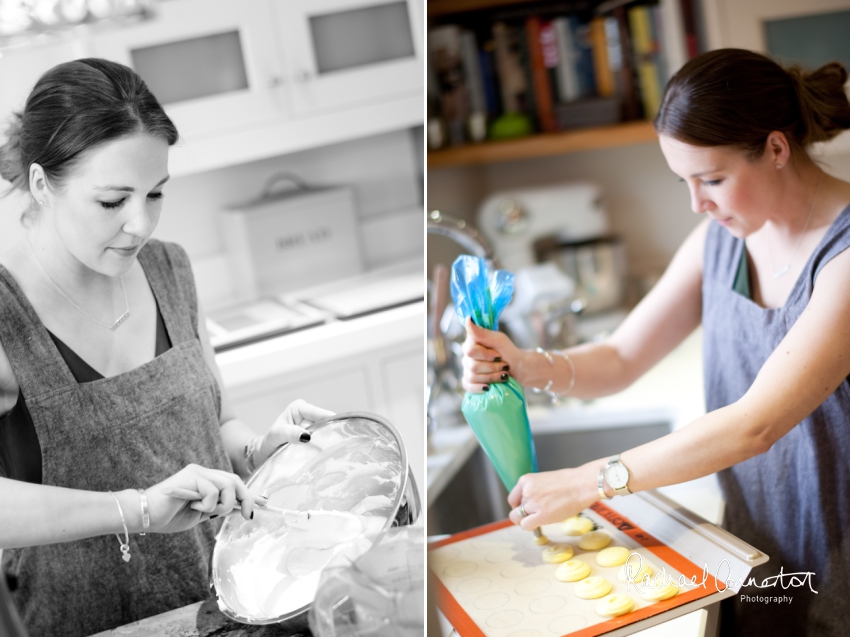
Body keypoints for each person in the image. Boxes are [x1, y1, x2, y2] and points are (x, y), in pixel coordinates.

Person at [462, 48, 850, 636]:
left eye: (713, 179)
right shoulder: (717, 242)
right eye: (684, 181)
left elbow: (755, 425)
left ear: (776, 148)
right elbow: (619, 358)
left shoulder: (844, 257)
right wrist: (524, 364)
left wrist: (586, 482)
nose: (696, 203)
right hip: (760, 539)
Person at [0, 58, 334, 637]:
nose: (141, 224)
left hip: (223, 607)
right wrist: (140, 509)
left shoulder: (168, 269)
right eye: (112, 201)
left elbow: (214, 421)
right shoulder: (7, 317)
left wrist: (259, 451)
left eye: (155, 194)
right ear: (38, 184)